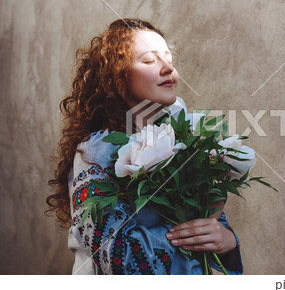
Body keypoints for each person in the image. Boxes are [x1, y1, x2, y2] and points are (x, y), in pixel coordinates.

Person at [46, 18, 243, 275]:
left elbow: (210, 223)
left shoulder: (178, 137)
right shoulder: (97, 151)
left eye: (169, 60)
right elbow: (117, 257)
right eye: (149, 60)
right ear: (117, 75)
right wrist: (189, 235)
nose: (167, 69)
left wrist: (226, 242)